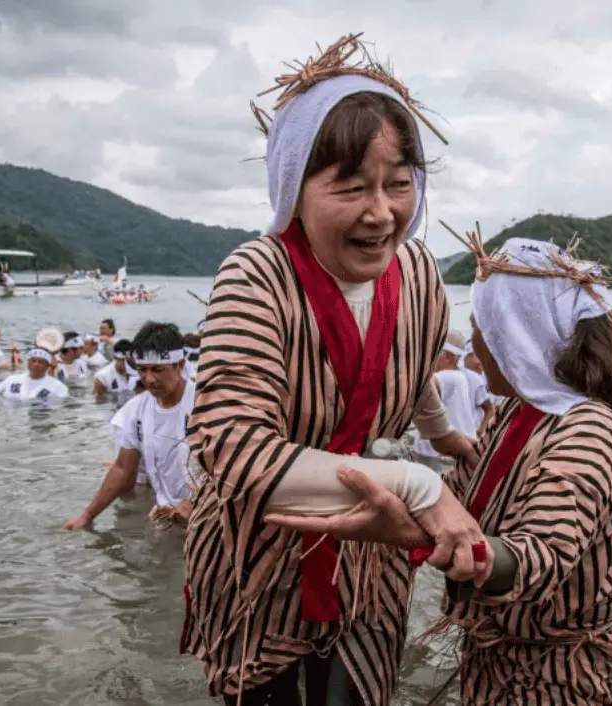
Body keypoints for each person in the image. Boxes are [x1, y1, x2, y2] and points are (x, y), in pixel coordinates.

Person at [179, 35, 484, 706]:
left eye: (399, 184)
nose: (382, 213)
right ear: (294, 185)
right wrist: (418, 486)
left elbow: (411, 368)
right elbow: (233, 450)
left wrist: (444, 436)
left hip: (373, 564)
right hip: (262, 558)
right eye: (351, 187)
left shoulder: (420, 273)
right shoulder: (256, 276)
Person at [267, 235, 612, 705]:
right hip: (499, 663)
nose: (476, 341)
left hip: (562, 678)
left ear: (517, 334)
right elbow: (458, 494)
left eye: (483, 326)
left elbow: (542, 555)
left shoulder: (588, 428)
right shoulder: (517, 412)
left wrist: (435, 539)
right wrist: (392, 482)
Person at [65, 323, 198, 530]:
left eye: (157, 369)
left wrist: (198, 500)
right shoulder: (135, 410)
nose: (149, 379)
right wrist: (87, 517)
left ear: (179, 365)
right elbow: (122, 470)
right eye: (142, 370)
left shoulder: (205, 403)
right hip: (166, 513)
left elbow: (231, 468)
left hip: (208, 512)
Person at [414, 331, 479, 470]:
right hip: (450, 450)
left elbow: (420, 386)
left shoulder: (446, 377)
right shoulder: (458, 376)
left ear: (448, 356)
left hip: (441, 455)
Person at [0, 348, 70, 403]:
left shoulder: (58, 387)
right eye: (33, 361)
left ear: (47, 366)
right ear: (28, 363)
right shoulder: (12, 380)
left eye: (40, 362)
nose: (36, 364)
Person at [456, 339, 493, 433]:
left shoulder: (482, 377)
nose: (482, 362)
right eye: (479, 357)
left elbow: (490, 409)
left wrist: (480, 432)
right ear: (468, 356)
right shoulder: (465, 376)